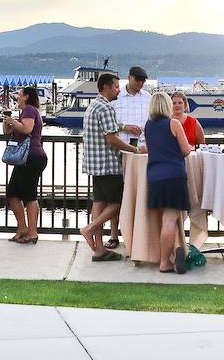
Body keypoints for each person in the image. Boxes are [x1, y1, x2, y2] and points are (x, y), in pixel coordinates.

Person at [78, 72, 140, 261]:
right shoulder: (106, 108)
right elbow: (111, 138)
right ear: (105, 87)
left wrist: (124, 127)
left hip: (94, 164)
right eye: (115, 86)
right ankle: (89, 229)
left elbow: (109, 128)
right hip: (108, 164)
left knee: (99, 203)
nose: (118, 90)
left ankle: (99, 249)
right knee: (117, 203)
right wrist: (135, 150)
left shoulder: (93, 106)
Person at [145, 91, 193, 274]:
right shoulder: (174, 123)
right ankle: (165, 261)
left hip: (155, 176)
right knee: (170, 219)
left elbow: (151, 149)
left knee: (164, 218)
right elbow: (186, 150)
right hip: (174, 175)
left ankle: (169, 255)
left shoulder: (148, 125)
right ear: (166, 105)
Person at [105, 66, 150, 249]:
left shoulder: (148, 97)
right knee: (116, 195)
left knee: (141, 194)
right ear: (129, 77)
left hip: (142, 151)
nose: (140, 83)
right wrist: (125, 127)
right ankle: (114, 235)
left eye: (142, 81)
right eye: (137, 79)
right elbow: (108, 122)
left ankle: (140, 234)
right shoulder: (116, 98)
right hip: (120, 150)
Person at [2, 86, 46, 244]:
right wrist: (7, 120)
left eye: (19, 94)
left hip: (31, 157)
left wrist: (13, 121)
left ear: (26, 96)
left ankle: (32, 233)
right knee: (12, 193)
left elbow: (27, 129)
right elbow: (7, 132)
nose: (17, 97)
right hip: (27, 158)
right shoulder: (25, 111)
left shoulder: (28, 110)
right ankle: (22, 229)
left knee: (29, 195)